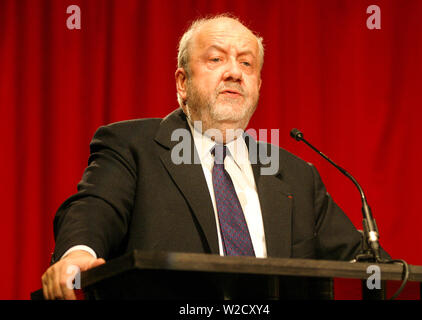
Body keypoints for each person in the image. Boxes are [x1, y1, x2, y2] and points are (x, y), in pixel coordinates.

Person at [41, 14, 383, 300]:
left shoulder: (295, 175)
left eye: (246, 63)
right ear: (182, 83)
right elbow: (93, 210)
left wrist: (391, 275)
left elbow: (360, 264)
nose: (234, 72)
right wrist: (78, 254)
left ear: (258, 85)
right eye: (217, 59)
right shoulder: (133, 147)